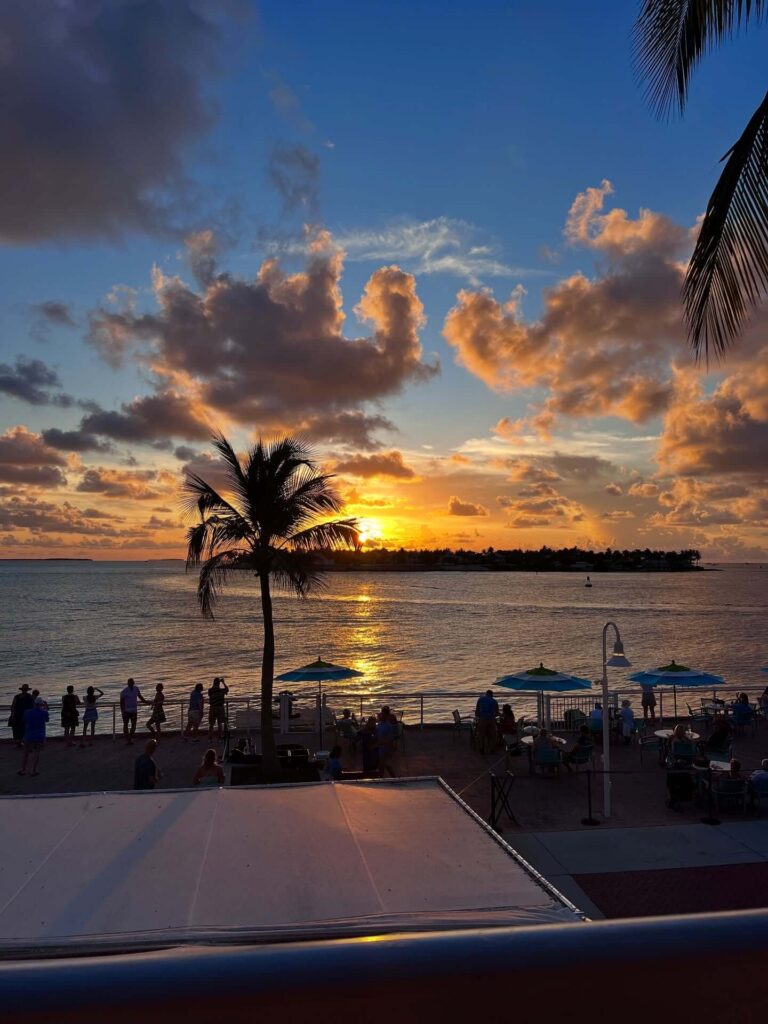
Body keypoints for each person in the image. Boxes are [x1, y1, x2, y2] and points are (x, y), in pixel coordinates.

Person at [18, 696, 49, 777]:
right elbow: (47, 719)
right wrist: (45, 707)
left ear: (34, 703)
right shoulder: (44, 712)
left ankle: (23, 769)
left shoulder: (27, 712)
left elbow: (23, 720)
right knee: (37, 752)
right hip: (40, 735)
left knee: (26, 753)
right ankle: (33, 770)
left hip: (29, 735)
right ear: (41, 704)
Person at [120, 678, 147, 745]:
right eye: (130, 683)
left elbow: (140, 696)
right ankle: (127, 739)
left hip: (134, 711)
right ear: (128, 683)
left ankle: (130, 738)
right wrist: (122, 711)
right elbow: (121, 702)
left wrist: (146, 702)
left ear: (133, 683)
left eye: (132, 682)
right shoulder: (124, 691)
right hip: (126, 711)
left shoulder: (136, 689)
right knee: (125, 725)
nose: (131, 684)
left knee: (133, 725)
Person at [475, 689, 499, 754]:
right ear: (492, 694)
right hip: (491, 719)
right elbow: (497, 713)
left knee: (481, 734)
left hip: (482, 719)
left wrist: (479, 716)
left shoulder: (480, 699)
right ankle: (492, 749)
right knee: (492, 734)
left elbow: (477, 711)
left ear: (486, 694)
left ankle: (481, 748)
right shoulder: (494, 701)